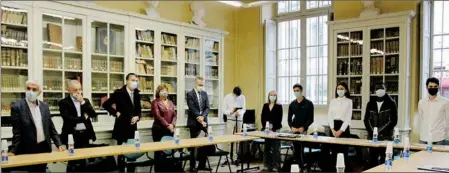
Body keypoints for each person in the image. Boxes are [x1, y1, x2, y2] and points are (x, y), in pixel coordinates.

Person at [9, 80, 65, 172]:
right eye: (28, 88)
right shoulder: (17, 107)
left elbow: (51, 128)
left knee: (42, 170)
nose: (30, 91)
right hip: (28, 149)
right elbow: (17, 132)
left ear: (39, 92)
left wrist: (59, 144)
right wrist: (12, 151)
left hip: (43, 147)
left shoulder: (44, 106)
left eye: (34, 89)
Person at [103, 73, 142, 172]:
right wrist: (115, 113)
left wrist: (138, 117)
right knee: (121, 153)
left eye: (136, 80)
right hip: (121, 127)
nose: (135, 82)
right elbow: (106, 104)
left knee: (132, 153)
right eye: (132, 80)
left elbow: (138, 109)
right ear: (127, 81)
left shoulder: (137, 93)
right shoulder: (119, 93)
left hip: (133, 128)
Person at [59, 80, 97, 171]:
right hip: (72, 136)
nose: (78, 92)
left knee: (84, 162)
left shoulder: (85, 101)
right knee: (72, 162)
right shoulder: (63, 102)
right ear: (69, 90)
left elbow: (93, 115)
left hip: (85, 135)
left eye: (80, 89)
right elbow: (68, 119)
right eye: (75, 90)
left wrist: (82, 102)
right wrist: (83, 118)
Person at [364, 82, 398, 169]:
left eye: (381, 88)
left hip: (386, 137)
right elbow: (366, 120)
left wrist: (379, 131)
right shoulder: (370, 103)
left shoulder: (391, 103)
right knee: (372, 162)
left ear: (385, 90)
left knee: (385, 161)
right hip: (372, 138)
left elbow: (393, 121)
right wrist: (373, 132)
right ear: (375, 91)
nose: (379, 90)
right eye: (377, 88)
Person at [186, 77, 210, 171]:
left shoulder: (205, 93)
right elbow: (191, 107)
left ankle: (202, 165)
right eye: (199, 85)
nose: (201, 86)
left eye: (202, 85)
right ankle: (192, 166)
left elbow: (207, 107)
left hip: (204, 122)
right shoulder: (190, 94)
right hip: (194, 122)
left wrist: (203, 116)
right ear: (195, 84)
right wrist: (199, 117)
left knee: (204, 144)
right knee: (193, 145)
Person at [151, 84, 177, 172]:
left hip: (170, 129)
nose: (164, 92)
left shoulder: (170, 102)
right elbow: (158, 116)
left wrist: (172, 125)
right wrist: (167, 125)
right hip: (159, 129)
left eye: (166, 90)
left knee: (168, 151)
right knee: (159, 152)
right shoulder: (155, 102)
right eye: (162, 91)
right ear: (158, 92)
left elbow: (174, 115)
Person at [288, 83, 314, 170]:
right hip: (294, 129)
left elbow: (311, 119)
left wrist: (303, 128)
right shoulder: (292, 104)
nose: (296, 92)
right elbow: (289, 119)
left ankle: (304, 166)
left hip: (304, 129)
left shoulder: (309, 103)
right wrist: (292, 127)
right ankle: (298, 166)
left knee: (302, 149)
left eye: (297, 90)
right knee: (296, 149)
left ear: (301, 91)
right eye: (294, 91)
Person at [327, 82, 353, 171]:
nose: (339, 90)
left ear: (346, 90)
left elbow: (348, 118)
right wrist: (333, 130)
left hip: (344, 129)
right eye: (338, 89)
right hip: (333, 128)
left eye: (342, 89)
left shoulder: (349, 101)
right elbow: (329, 116)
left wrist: (340, 131)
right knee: (334, 153)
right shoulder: (333, 101)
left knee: (343, 154)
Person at [417, 77, 449, 145]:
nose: (433, 88)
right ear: (426, 87)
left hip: (439, 138)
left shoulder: (445, 102)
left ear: (438, 87)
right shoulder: (421, 102)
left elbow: (447, 120)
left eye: (435, 86)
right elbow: (421, 119)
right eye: (430, 86)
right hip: (424, 138)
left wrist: (445, 134)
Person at [222, 86, 246, 164]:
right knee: (229, 138)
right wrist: (231, 112)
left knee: (237, 139)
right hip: (230, 119)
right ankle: (228, 158)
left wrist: (240, 113)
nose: (237, 97)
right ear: (233, 93)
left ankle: (235, 157)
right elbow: (224, 110)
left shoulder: (242, 97)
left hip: (239, 119)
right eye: (236, 96)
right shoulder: (227, 97)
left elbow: (244, 108)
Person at [261, 91, 282, 172]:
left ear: (276, 97)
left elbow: (279, 118)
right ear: (268, 96)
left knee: (276, 149)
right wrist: (264, 127)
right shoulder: (265, 105)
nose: (272, 96)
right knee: (267, 148)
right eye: (271, 95)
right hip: (267, 130)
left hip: (276, 129)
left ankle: (276, 166)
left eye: (274, 95)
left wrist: (273, 128)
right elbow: (262, 116)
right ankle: (267, 165)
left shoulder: (279, 106)